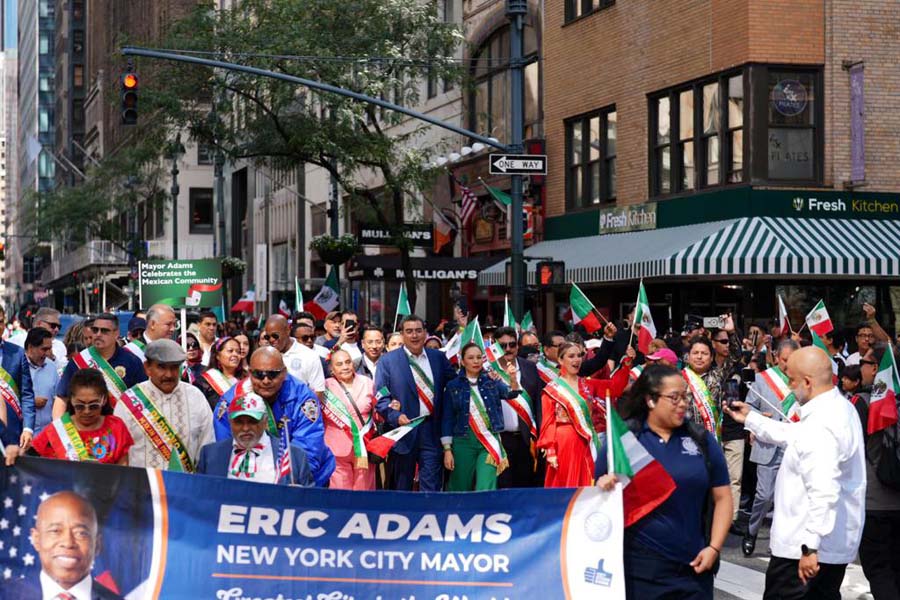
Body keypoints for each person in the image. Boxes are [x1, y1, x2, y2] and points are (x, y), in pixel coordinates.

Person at [725, 346, 866, 600]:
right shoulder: (838, 409)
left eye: (791, 380)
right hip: (821, 546)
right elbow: (794, 435)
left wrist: (810, 546)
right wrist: (752, 419)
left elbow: (824, 489)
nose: (788, 387)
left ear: (808, 382)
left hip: (803, 549)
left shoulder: (823, 422)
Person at [596, 364, 732, 600]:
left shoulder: (700, 439)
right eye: (674, 397)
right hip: (640, 572)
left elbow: (723, 498)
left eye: (685, 397)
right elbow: (595, 501)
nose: (683, 404)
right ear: (650, 400)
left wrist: (714, 548)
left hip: (694, 568)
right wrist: (604, 487)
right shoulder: (624, 441)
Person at [213, 347, 335, 487]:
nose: (266, 380)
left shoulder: (303, 398)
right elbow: (227, 449)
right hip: (252, 479)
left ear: (284, 373)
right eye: (259, 374)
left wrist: (279, 486)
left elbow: (308, 451)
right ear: (250, 373)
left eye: (273, 374)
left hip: (304, 480)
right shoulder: (230, 401)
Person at [375, 314, 456, 492]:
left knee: (431, 487)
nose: (414, 336)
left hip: (431, 432)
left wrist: (483, 374)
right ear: (402, 335)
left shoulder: (438, 358)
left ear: (425, 333)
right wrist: (395, 416)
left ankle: (429, 518)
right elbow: (381, 397)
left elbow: (456, 384)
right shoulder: (388, 361)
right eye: (409, 331)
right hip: (404, 432)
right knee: (401, 487)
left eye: (418, 331)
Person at [538, 341, 632, 487]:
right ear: (561, 360)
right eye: (571, 356)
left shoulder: (588, 384)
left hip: (587, 441)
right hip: (564, 443)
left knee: (589, 481)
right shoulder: (552, 389)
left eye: (579, 355)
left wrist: (626, 364)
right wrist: (550, 449)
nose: (576, 360)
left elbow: (615, 388)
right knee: (567, 484)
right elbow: (548, 422)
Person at [0, 491, 124, 599]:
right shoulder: (5, 595)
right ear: (36, 539)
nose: (68, 543)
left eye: (81, 533)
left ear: (97, 545)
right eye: (55, 531)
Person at [113, 339, 214, 471]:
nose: (169, 374)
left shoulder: (195, 397)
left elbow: (207, 447)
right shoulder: (129, 401)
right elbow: (118, 453)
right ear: (147, 368)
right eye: (161, 367)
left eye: (174, 367)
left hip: (185, 487)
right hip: (142, 488)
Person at [742, 339, 799, 556]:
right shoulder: (762, 379)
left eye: (791, 360)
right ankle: (752, 531)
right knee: (764, 496)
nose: (787, 364)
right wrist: (756, 419)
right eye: (784, 360)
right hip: (768, 446)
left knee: (791, 498)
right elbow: (749, 406)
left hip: (793, 446)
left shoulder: (803, 380)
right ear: (776, 357)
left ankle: (785, 541)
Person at [6, 369, 134, 465]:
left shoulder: (116, 426)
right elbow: (29, 459)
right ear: (71, 401)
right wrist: (17, 451)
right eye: (80, 406)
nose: (87, 411)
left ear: (104, 400)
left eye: (94, 406)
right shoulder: (56, 430)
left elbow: (124, 470)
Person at [852, 344, 900, 599]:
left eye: (865, 361)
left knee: (879, 570)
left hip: (875, 502)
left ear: (875, 369)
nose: (861, 366)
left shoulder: (863, 402)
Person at [442, 343, 519, 491]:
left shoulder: (491, 380)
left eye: (479, 357)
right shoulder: (453, 386)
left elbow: (511, 394)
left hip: (488, 441)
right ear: (462, 361)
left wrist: (513, 378)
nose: (476, 361)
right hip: (463, 441)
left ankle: (485, 513)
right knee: (459, 487)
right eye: (471, 358)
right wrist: (447, 449)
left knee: (486, 485)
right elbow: (447, 418)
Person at [197, 392, 314, 486]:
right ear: (230, 422)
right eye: (238, 422)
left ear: (265, 421)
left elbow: (311, 504)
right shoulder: (209, 455)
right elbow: (199, 498)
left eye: (252, 421)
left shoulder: (294, 456)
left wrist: (300, 496)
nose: (246, 428)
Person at [54, 313, 146, 419]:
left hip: (119, 428)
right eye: (95, 330)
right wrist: (58, 428)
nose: (98, 334)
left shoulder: (132, 361)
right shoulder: (79, 360)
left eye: (104, 331)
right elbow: (62, 398)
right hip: (83, 427)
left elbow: (141, 400)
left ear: (116, 333)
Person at [492, 326, 544, 488]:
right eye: (503, 345)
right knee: (503, 485)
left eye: (512, 344)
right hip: (499, 439)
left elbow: (537, 402)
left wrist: (541, 434)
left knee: (525, 484)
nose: (508, 349)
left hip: (525, 438)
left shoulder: (529, 367)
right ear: (495, 345)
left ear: (517, 346)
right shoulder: (487, 370)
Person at [322, 349, 378, 490]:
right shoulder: (325, 386)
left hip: (365, 446)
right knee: (340, 493)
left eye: (348, 362)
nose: (345, 367)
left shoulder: (367, 382)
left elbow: (377, 412)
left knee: (364, 492)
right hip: (337, 448)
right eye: (339, 364)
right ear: (332, 369)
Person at [262, 314, 326, 396]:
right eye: (267, 337)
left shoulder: (309, 356)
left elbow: (318, 392)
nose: (271, 340)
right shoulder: (265, 355)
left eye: (275, 336)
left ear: (287, 331)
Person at [0, 306, 36, 450]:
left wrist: (27, 428)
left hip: (12, 434)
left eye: (1, 321)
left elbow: (27, 394)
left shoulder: (17, 354)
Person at [24, 328, 59, 435]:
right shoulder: (16, 366)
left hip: (47, 436)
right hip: (23, 436)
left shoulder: (51, 367)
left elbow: (59, 399)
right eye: (44, 349)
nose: (48, 353)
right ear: (30, 347)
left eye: (50, 349)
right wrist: (30, 402)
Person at [195, 336, 245, 409]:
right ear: (218, 355)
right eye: (230, 351)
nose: (235, 354)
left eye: (238, 352)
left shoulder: (246, 379)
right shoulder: (204, 382)